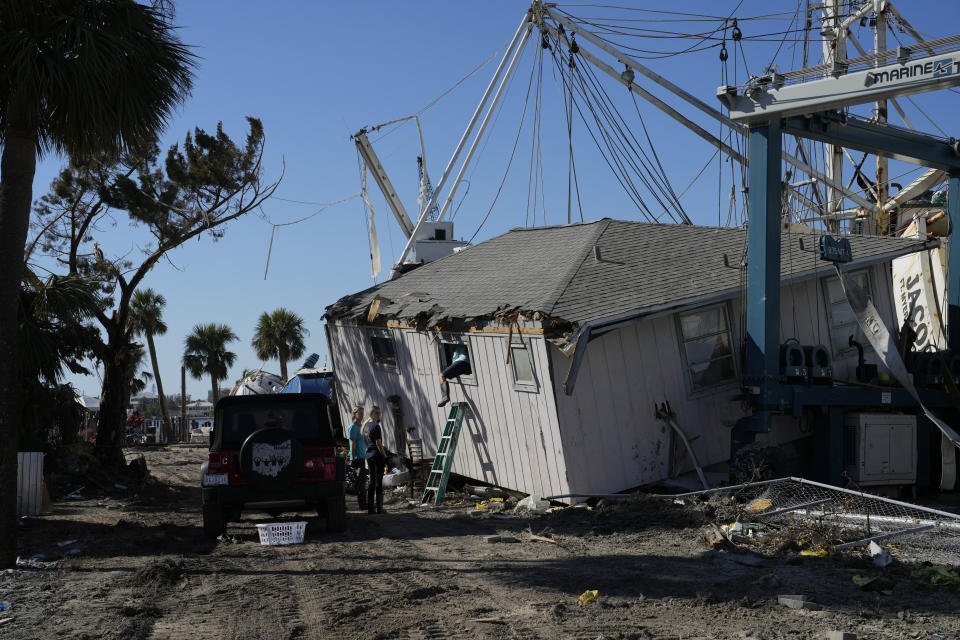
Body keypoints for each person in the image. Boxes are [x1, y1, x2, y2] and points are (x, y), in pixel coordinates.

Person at [363, 405, 387, 514]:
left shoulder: (366, 426)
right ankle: (379, 508)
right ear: (371, 414)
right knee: (378, 482)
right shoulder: (376, 427)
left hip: (369, 455)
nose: (379, 415)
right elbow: (378, 443)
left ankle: (370, 508)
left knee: (372, 482)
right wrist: (385, 455)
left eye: (379, 413)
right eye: (376, 413)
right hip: (376, 455)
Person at [347, 406, 368, 510]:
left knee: (362, 481)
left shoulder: (361, 426)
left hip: (362, 456)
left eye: (362, 413)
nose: (361, 415)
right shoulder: (353, 427)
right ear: (354, 414)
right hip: (357, 457)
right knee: (359, 481)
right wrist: (353, 458)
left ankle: (363, 503)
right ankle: (362, 504)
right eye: (359, 413)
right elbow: (353, 444)